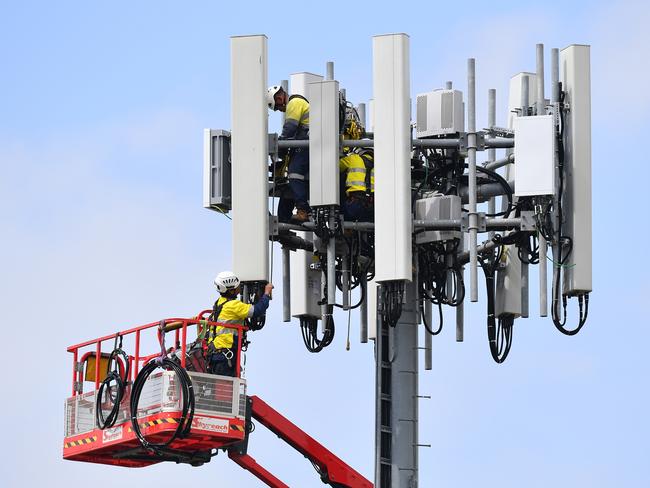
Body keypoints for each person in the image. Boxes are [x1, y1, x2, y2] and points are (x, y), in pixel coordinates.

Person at [209, 271, 274, 376]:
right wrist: (266, 293)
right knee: (226, 388)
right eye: (238, 286)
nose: (240, 288)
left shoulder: (219, 302)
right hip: (225, 355)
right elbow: (257, 310)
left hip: (216, 353)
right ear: (231, 291)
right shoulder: (233, 305)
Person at [267, 85, 310, 223]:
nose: (280, 110)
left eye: (278, 107)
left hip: (309, 144)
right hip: (307, 144)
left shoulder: (294, 103)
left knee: (294, 173)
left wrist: (280, 146)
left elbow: (289, 129)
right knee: (290, 181)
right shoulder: (297, 103)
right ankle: (284, 220)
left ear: (279, 98)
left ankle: (303, 210)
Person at [339, 148, 374, 222]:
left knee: (338, 213)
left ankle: (349, 230)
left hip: (355, 204)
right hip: (374, 206)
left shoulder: (353, 158)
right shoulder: (381, 164)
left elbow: (337, 166)